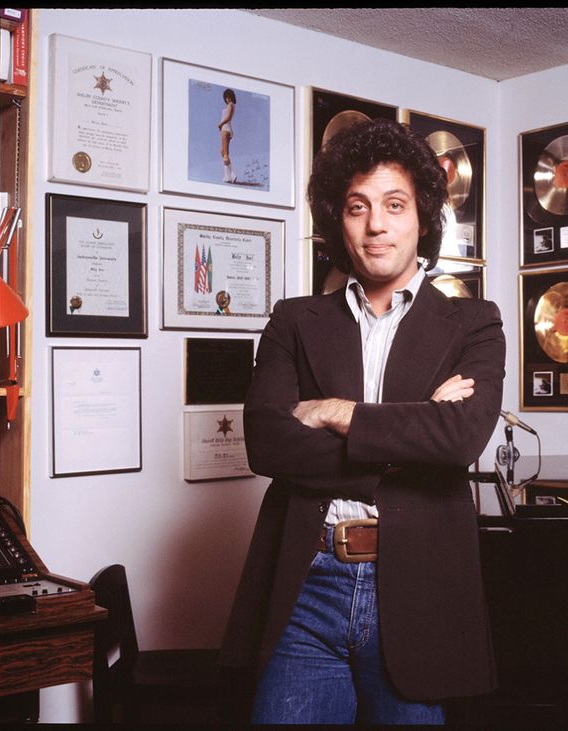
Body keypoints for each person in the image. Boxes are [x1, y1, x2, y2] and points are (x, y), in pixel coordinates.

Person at [219, 118, 506, 725]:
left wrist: (337, 413)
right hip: (305, 584)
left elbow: (459, 441)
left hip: (418, 588)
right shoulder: (294, 321)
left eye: (394, 205)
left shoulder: (474, 324)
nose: (376, 225)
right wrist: (411, 434)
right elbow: (267, 445)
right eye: (357, 207)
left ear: (422, 217)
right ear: (337, 219)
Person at [218, 88, 236, 183]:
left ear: (231, 97)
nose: (227, 99)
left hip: (226, 129)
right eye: (226, 97)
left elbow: (228, 118)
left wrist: (220, 124)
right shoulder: (231, 105)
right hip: (226, 129)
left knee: (225, 154)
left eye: (228, 97)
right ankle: (227, 176)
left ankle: (232, 175)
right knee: (223, 152)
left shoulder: (231, 105)